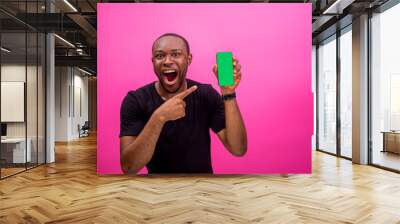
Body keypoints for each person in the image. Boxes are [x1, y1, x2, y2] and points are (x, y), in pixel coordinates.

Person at [120, 33, 247, 174]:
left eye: (176, 54)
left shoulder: (206, 95)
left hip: (202, 189)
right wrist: (159, 118)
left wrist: (228, 93)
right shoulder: (135, 100)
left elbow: (238, 149)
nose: (167, 61)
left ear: (189, 59)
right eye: (159, 56)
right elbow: (129, 167)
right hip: (157, 190)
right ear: (153, 62)